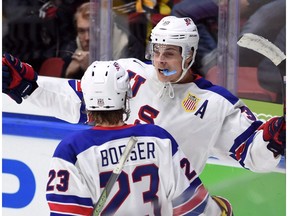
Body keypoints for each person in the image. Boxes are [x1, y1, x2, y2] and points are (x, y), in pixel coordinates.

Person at [3, 15, 285, 212]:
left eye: (170, 53)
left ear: (189, 54)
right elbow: (77, 100)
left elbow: (253, 155)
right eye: (157, 50)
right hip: (113, 204)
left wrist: (274, 137)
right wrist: (31, 88)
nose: (160, 60)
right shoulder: (129, 73)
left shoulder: (215, 104)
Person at [45, 60, 226, 215]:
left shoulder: (72, 149)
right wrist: (221, 210)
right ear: (127, 95)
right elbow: (193, 207)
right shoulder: (158, 138)